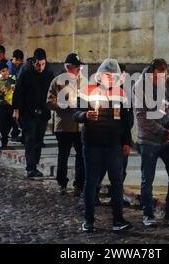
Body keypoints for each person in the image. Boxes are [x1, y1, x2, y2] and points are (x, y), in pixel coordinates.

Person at [74, 58, 133, 233]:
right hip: (92, 144)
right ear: (99, 76)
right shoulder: (87, 91)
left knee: (116, 182)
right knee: (91, 182)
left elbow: (126, 122)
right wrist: (85, 115)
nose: (108, 78)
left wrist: (126, 143)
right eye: (105, 75)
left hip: (114, 145)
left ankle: (118, 220)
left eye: (111, 76)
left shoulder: (121, 94)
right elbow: (75, 113)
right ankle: (88, 220)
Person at [133, 58, 169, 227]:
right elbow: (141, 116)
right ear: (151, 72)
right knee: (148, 178)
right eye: (157, 76)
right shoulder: (140, 86)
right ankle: (147, 213)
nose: (161, 79)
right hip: (149, 139)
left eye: (164, 75)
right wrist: (161, 132)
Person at [46, 53, 85, 196]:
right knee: (63, 155)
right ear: (68, 67)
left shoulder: (84, 82)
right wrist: (64, 106)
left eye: (79, 67)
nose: (79, 69)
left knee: (81, 155)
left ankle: (79, 184)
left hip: (80, 125)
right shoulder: (57, 81)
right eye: (76, 67)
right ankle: (62, 183)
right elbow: (49, 101)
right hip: (64, 125)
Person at [13, 48, 54, 178]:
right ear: (33, 62)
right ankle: (31, 167)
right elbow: (18, 92)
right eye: (38, 64)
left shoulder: (49, 75)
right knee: (30, 138)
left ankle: (34, 164)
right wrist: (16, 110)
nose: (40, 67)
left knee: (38, 139)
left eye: (43, 64)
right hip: (28, 112)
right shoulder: (26, 74)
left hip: (43, 112)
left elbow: (53, 92)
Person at [96, 63, 134, 204]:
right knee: (101, 169)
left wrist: (127, 141)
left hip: (121, 137)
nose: (122, 77)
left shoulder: (125, 92)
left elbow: (127, 117)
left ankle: (115, 196)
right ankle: (94, 194)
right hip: (108, 138)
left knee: (121, 171)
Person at [0, 62, 16, 149]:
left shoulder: (12, 80)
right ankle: (4, 141)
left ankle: (6, 135)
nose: (5, 72)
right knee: (3, 123)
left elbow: (15, 90)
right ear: (0, 73)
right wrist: (0, 92)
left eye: (7, 70)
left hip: (10, 105)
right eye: (3, 71)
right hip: (1, 106)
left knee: (10, 122)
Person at [6, 49, 24, 141]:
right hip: (9, 94)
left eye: (20, 61)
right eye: (17, 61)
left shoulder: (19, 66)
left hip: (15, 93)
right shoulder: (8, 67)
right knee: (11, 115)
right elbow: (8, 83)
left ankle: (15, 132)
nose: (18, 63)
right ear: (13, 58)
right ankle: (10, 133)